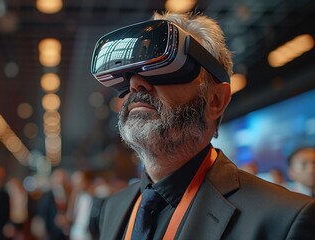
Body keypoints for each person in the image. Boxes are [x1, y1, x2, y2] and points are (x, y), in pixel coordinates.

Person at [90, 12, 315, 239]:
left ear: (215, 100)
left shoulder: (284, 220)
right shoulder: (113, 208)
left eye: (161, 68)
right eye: (129, 76)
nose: (135, 84)